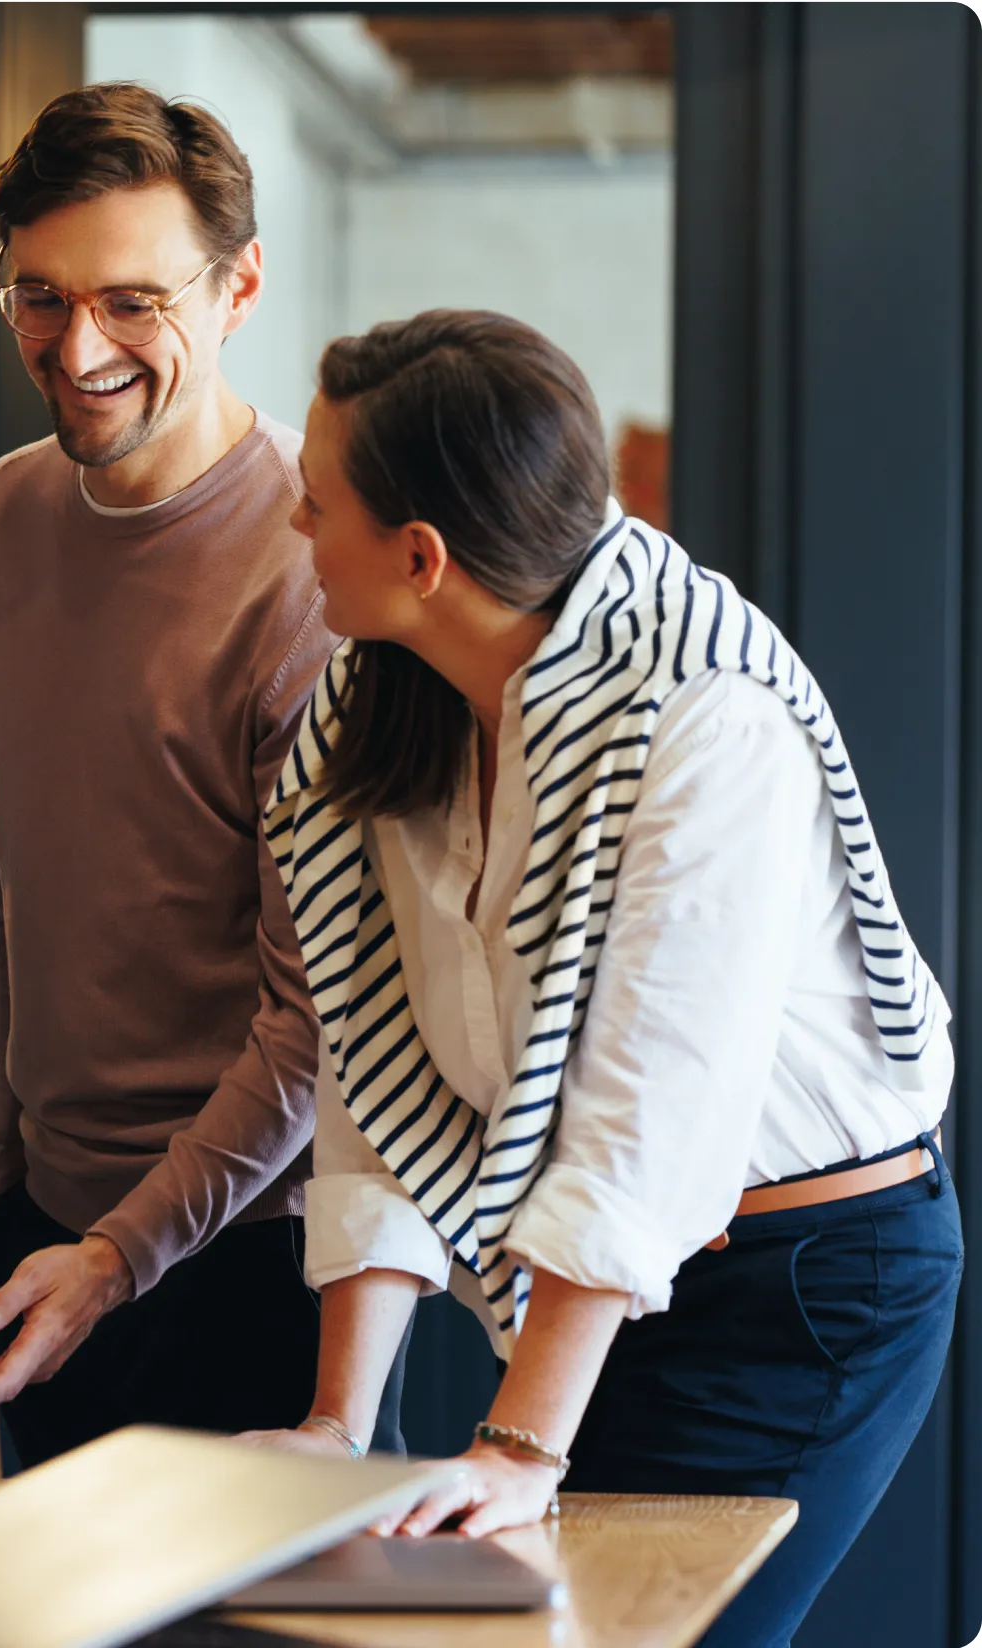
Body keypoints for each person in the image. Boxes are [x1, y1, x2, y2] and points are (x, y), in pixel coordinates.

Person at [244, 309, 960, 1648]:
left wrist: (517, 1442)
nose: (293, 527)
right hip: (610, 1284)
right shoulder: (386, 703)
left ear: (418, 556)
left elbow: (651, 1122)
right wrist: (338, 1425)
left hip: (806, 1287)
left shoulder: (702, 715)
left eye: (313, 503)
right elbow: (377, 1061)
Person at [0, 82, 398, 1469]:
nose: (75, 345)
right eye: (37, 296)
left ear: (239, 287)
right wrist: (14, 1192)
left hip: (244, 1252)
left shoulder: (310, 573)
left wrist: (117, 1251)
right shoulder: (1, 515)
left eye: (130, 302)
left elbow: (314, 1012)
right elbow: (13, 876)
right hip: (38, 1237)